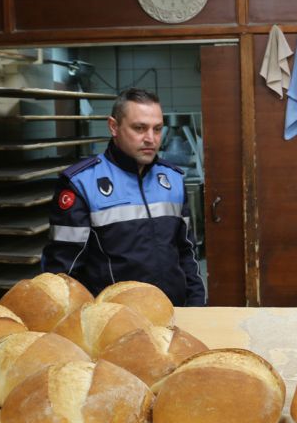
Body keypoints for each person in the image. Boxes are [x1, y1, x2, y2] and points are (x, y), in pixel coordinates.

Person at [41, 88, 206, 306]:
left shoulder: (172, 179)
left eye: (157, 129)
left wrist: (197, 305)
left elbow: (187, 252)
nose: (151, 139)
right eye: (139, 128)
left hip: (173, 310)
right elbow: (63, 273)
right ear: (113, 127)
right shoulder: (81, 183)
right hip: (115, 317)